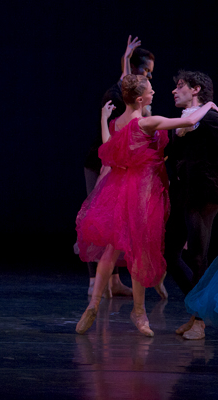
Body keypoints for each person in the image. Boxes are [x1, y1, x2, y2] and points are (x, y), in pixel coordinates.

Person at [76, 74, 218, 337]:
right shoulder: (148, 122)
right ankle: (140, 312)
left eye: (178, 86)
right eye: (151, 90)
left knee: (115, 249)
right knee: (141, 250)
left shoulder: (119, 122)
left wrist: (103, 119)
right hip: (143, 190)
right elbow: (186, 123)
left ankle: (96, 304)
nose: (160, 92)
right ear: (140, 98)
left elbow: (108, 146)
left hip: (127, 188)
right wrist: (208, 106)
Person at [82, 36, 158, 298]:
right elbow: (113, 142)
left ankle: (112, 282)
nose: (149, 78)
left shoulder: (140, 104)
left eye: (150, 73)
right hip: (102, 165)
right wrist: (125, 60)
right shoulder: (118, 95)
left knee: (117, 227)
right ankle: (95, 282)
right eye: (145, 71)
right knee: (98, 221)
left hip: (120, 169)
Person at [164, 70, 218, 340]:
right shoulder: (183, 120)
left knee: (198, 255)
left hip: (204, 193)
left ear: (196, 89)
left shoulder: (210, 118)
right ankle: (198, 309)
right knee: (169, 255)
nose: (175, 90)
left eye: (181, 86)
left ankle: (199, 321)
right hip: (183, 193)